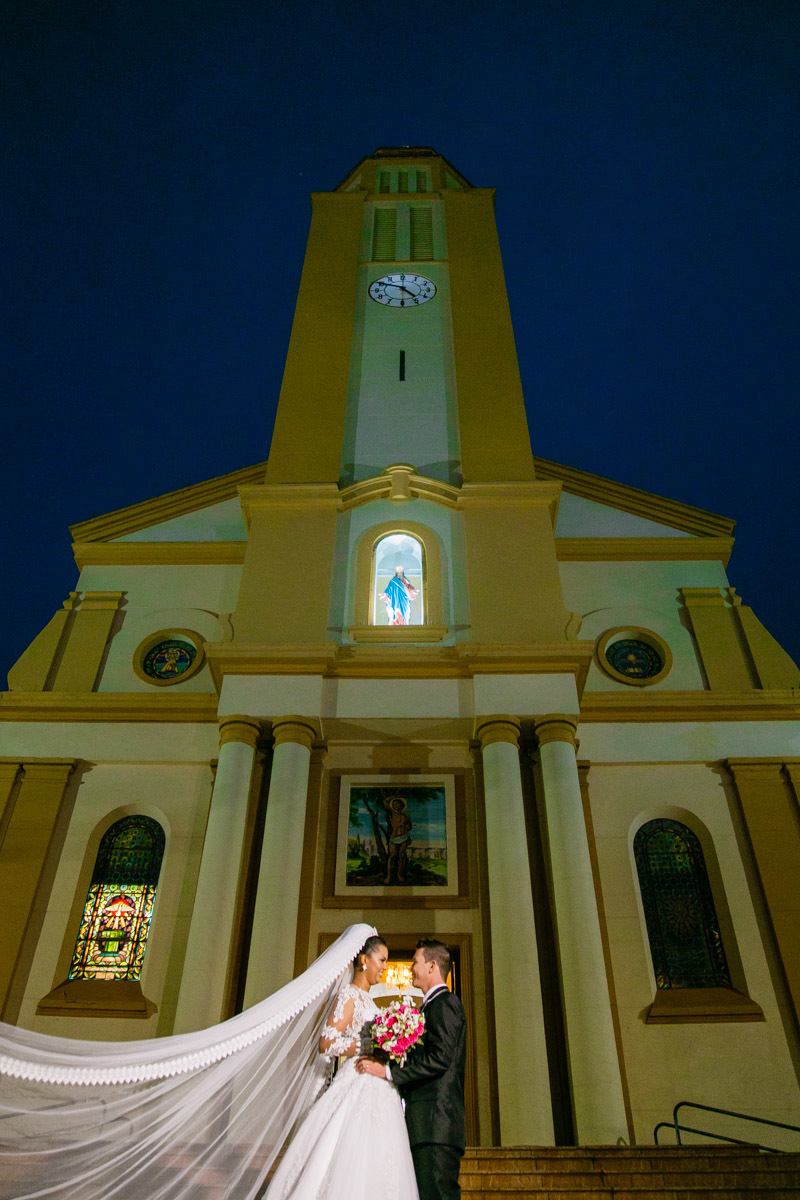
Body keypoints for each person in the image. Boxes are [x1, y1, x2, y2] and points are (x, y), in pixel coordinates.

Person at [264, 934, 419, 1200]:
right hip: (357, 1081)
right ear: (363, 960)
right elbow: (327, 1042)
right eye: (381, 960)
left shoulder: (369, 1000)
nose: (384, 966)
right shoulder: (349, 996)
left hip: (379, 1085)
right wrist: (367, 1047)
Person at [357, 939, 467, 1200]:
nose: (410, 968)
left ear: (431, 966)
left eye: (415, 962)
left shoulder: (445, 1004)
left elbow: (441, 1058)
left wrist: (389, 1074)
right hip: (424, 1126)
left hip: (436, 1127)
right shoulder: (429, 1007)